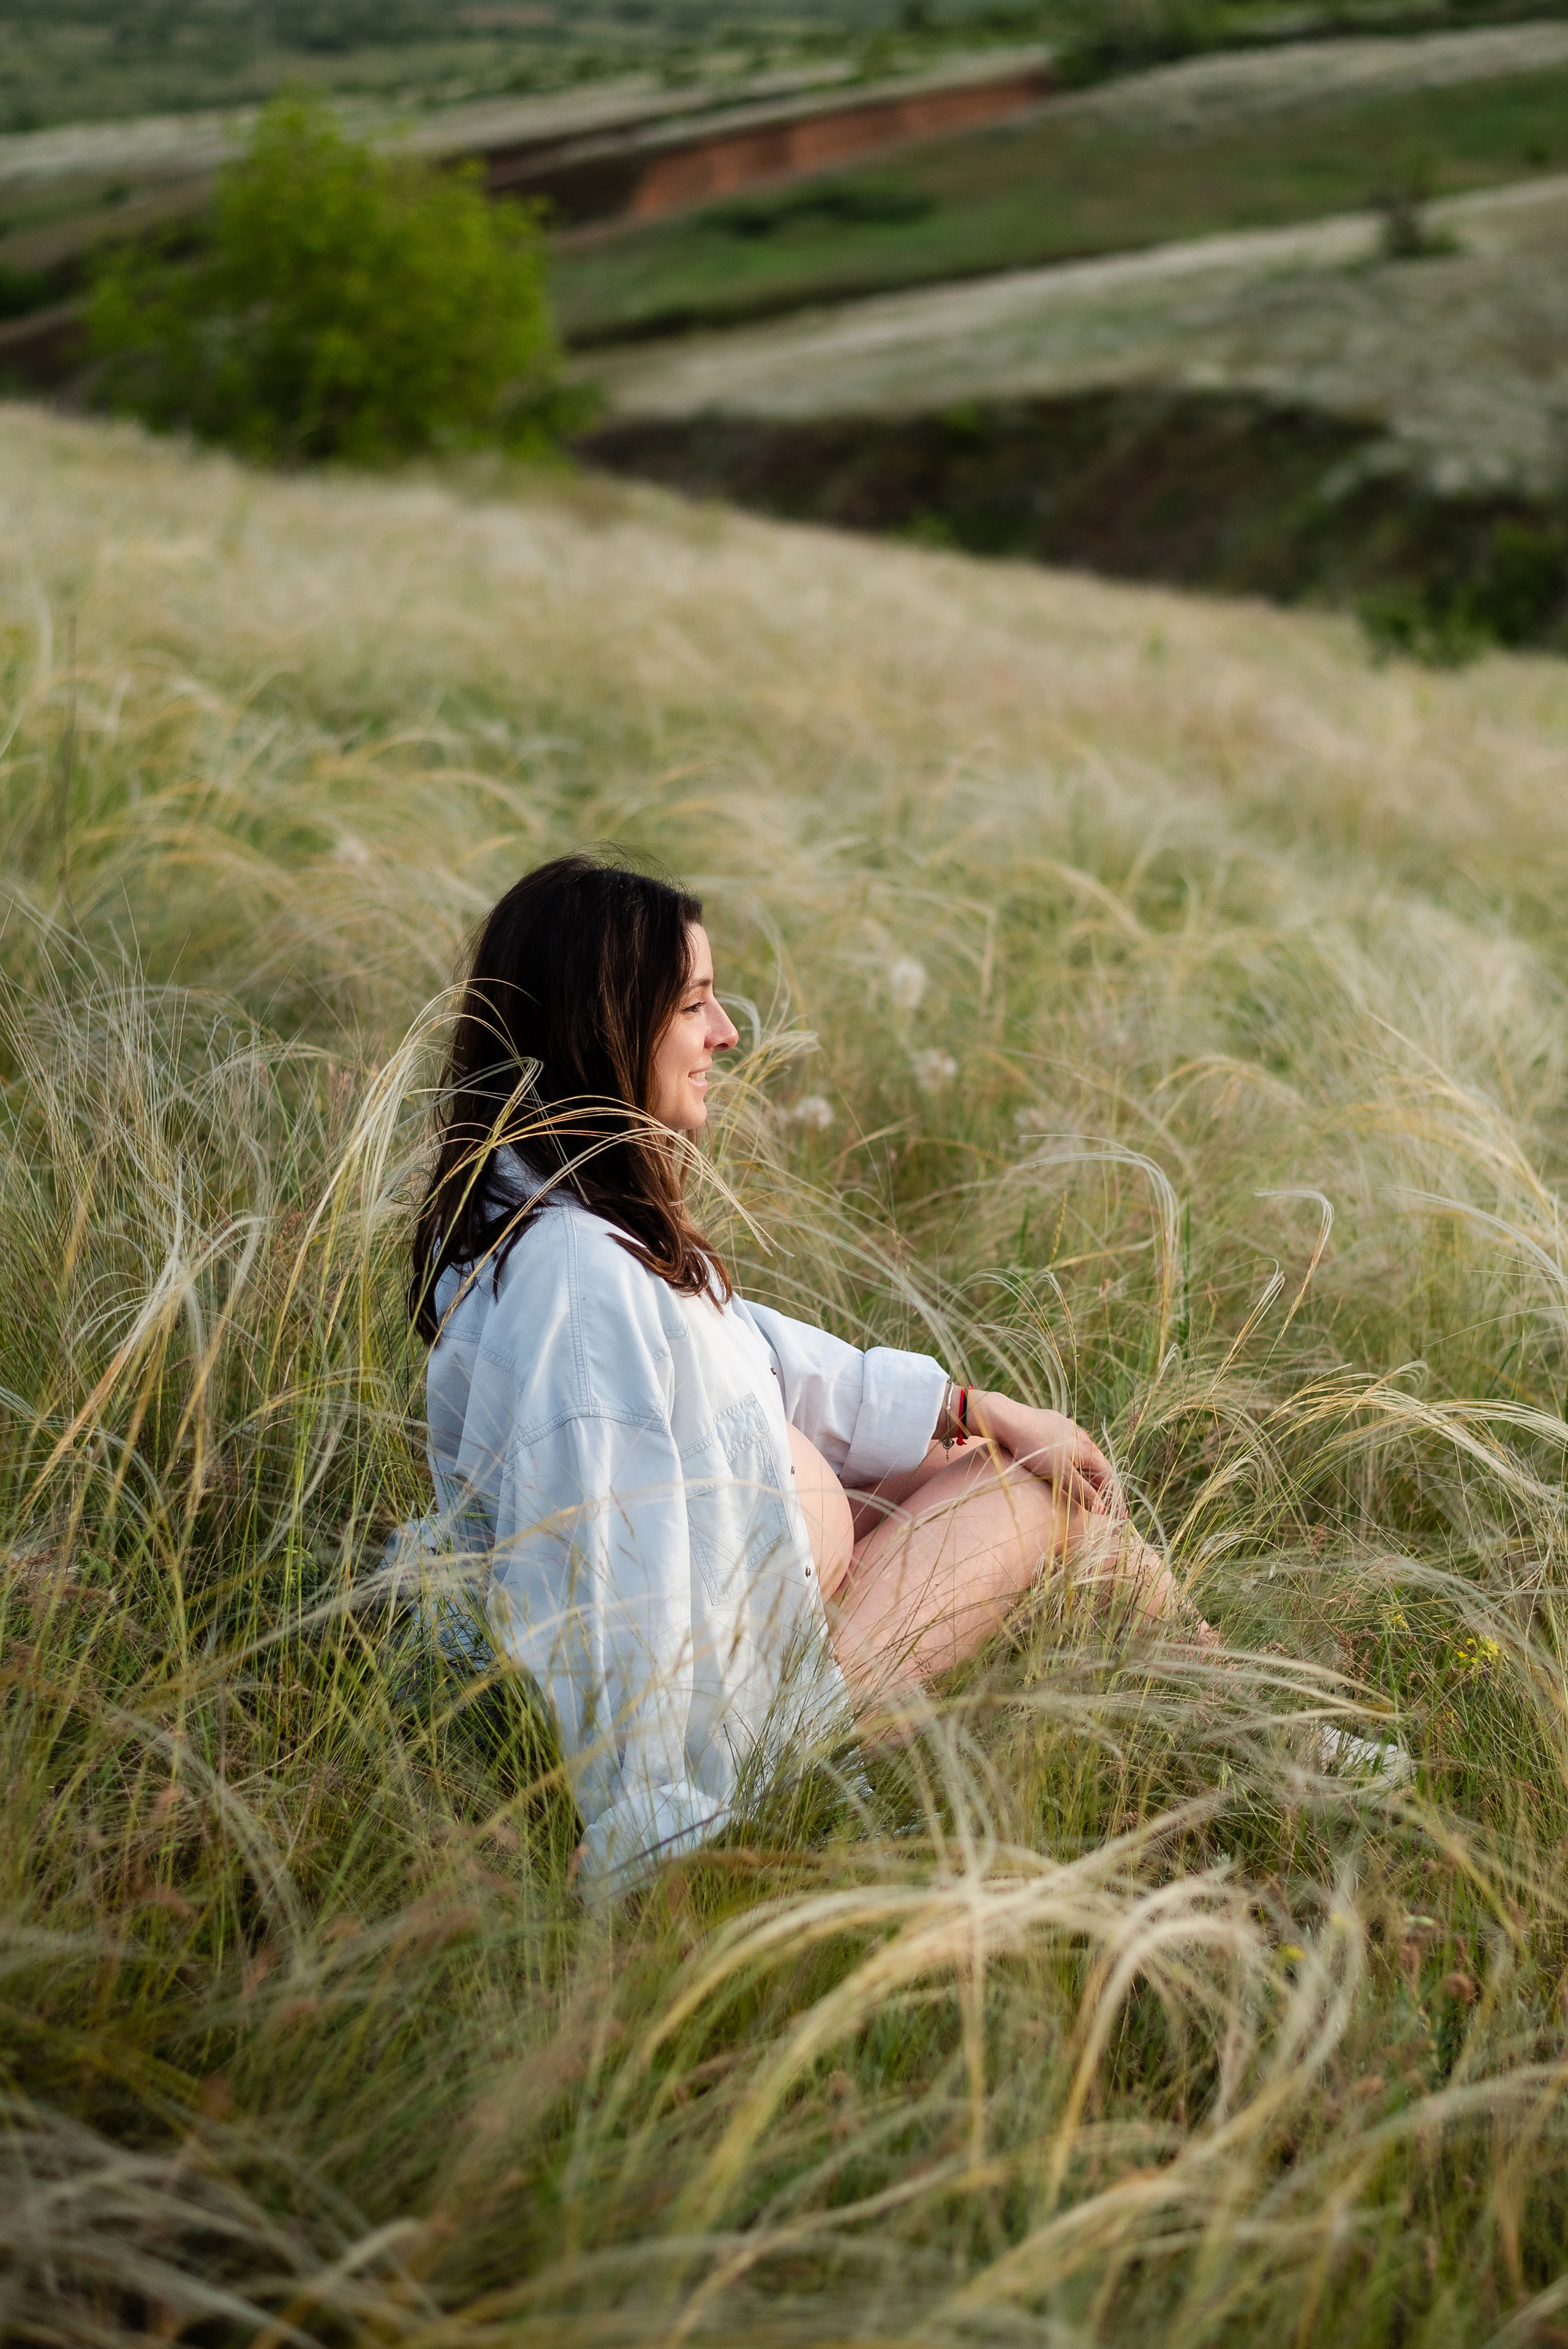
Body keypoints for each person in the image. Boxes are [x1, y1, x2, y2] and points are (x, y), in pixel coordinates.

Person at [409, 853, 1202, 1894]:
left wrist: (970, 1405)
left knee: (1046, 1490)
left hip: (779, 1606)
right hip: (767, 1722)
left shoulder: (581, 1229)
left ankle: (1232, 1700)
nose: (727, 1032)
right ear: (606, 1025)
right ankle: (1252, 1715)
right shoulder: (574, 1284)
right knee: (1041, 1497)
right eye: (695, 1004)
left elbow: (759, 1355)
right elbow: (609, 1582)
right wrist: (652, 1825)